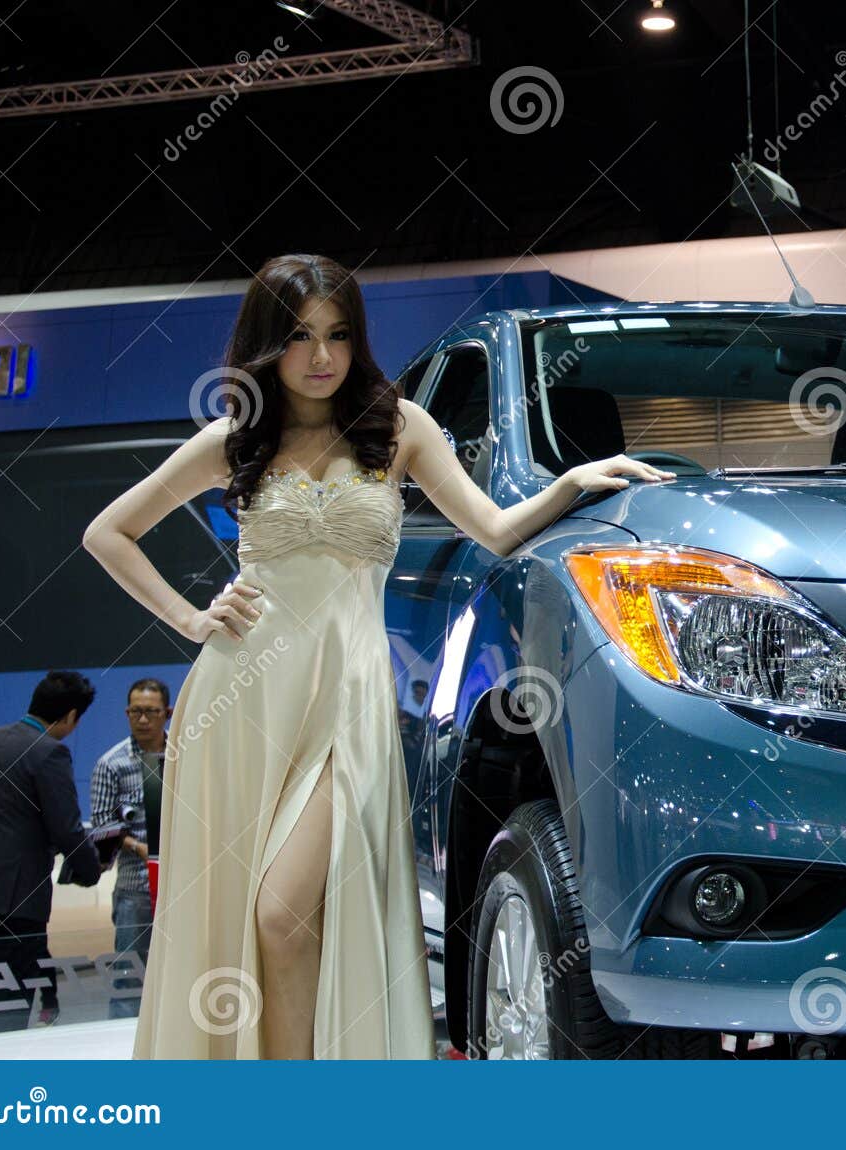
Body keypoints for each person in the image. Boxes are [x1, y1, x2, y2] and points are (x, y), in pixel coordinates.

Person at [82, 252, 673, 1060]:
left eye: (338, 335)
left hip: (347, 702)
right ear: (265, 345)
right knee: (246, 923)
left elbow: (495, 530)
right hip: (240, 701)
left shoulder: (398, 431)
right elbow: (107, 533)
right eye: (299, 338)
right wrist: (191, 619)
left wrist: (570, 483)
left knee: (284, 914)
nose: (322, 357)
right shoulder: (235, 441)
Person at [0, 671, 102, 1029]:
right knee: (14, 985)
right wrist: (90, 869)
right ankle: (0, 1053)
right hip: (16, 890)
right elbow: (66, 827)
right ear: (71, 716)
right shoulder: (50, 752)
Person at [91, 678, 172, 1016]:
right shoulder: (111, 764)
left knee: (182, 978)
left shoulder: (190, 755)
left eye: (150, 712)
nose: (142, 720)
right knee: (129, 982)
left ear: (166, 713)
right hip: (135, 889)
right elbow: (102, 829)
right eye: (135, 712)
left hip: (185, 885)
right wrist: (141, 848)